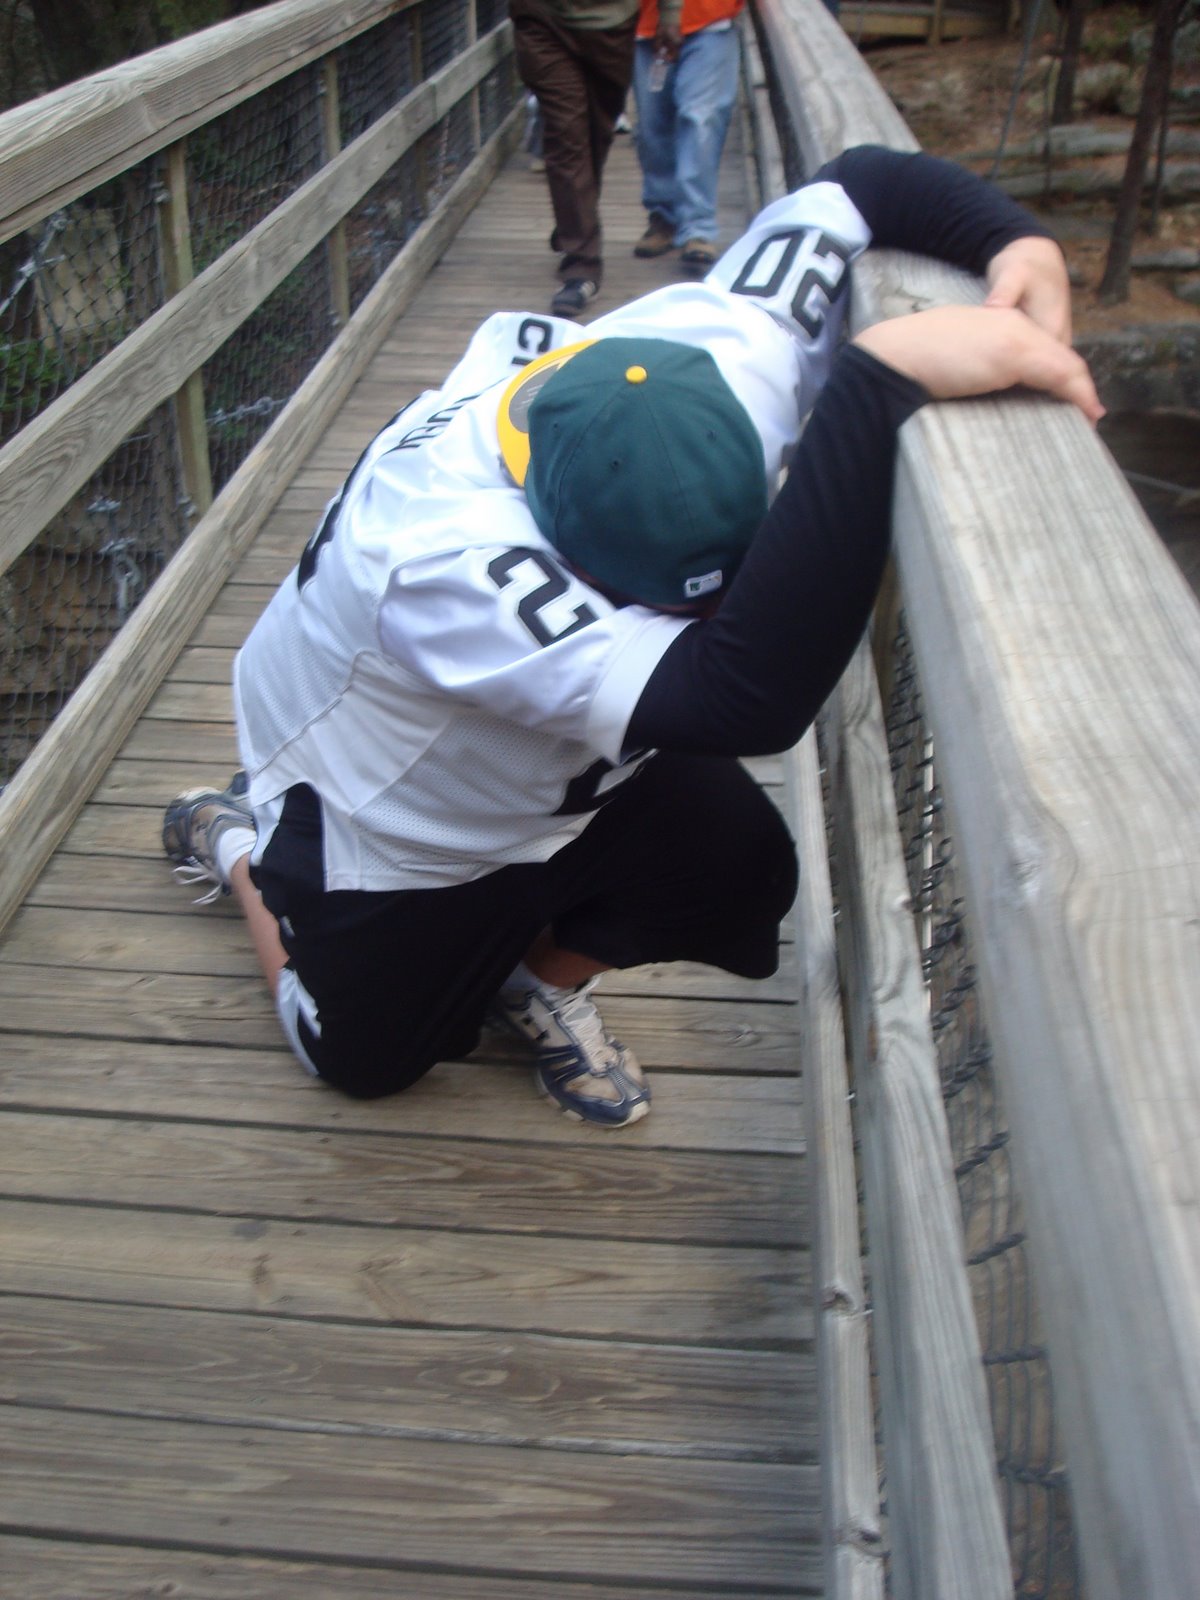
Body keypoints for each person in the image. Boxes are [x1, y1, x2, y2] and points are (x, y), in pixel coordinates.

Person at [162, 145, 1101, 1131]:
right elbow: (748, 701)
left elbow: (863, 184)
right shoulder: (443, 565)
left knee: (745, 872)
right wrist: (876, 386)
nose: (706, 616)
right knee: (363, 1062)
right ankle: (238, 842)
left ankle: (533, 983)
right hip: (384, 822)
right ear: (556, 545)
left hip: (543, 773)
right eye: (659, 604)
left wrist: (1015, 241)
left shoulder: (709, 354)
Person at [509, 0, 647, 318]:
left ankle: (572, 221)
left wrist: (670, 11)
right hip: (540, 18)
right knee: (566, 135)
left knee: (596, 135)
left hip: (612, 23)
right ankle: (581, 267)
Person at [631, 0, 742, 273]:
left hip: (711, 18)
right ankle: (664, 217)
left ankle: (697, 227)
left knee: (699, 119)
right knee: (652, 126)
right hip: (644, 23)